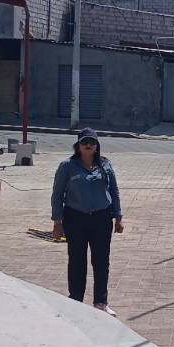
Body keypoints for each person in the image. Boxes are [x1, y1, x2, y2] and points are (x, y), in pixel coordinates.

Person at [51, 130, 124, 313]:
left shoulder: (105, 164)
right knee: (77, 261)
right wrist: (57, 222)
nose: (88, 145)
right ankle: (75, 301)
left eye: (92, 142)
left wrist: (118, 217)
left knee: (101, 261)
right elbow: (57, 195)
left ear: (97, 146)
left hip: (102, 219)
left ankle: (101, 302)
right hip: (75, 219)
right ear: (78, 146)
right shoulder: (67, 166)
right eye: (84, 142)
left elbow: (114, 191)